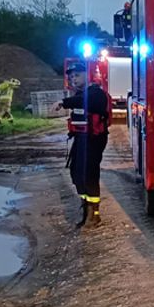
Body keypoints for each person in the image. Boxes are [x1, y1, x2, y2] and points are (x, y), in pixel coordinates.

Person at [53, 60, 110, 227]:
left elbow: (86, 101)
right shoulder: (81, 94)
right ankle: (86, 206)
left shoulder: (96, 93)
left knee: (89, 173)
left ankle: (94, 213)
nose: (73, 79)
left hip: (94, 139)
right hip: (81, 138)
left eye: (77, 75)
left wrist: (63, 103)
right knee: (76, 172)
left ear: (89, 75)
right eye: (71, 77)